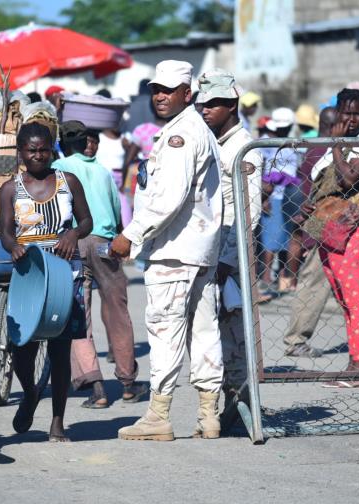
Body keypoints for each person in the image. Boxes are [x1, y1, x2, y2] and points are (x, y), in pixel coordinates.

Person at [109, 59, 224, 441]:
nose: (160, 96)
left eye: (168, 90)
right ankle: (209, 415)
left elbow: (169, 197)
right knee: (203, 332)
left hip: (175, 249)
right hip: (198, 249)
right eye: (156, 89)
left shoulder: (181, 135)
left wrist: (131, 234)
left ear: (187, 94)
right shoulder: (193, 128)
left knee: (165, 332)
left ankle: (158, 416)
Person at [0, 122, 93, 442]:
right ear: (20, 153)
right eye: (31, 150)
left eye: (44, 150)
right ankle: (29, 392)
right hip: (29, 272)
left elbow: (87, 220)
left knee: (60, 349)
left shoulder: (69, 181)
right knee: (22, 347)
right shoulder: (10, 188)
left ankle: (57, 422)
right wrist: (13, 246)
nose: (38, 155)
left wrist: (73, 233)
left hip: (64, 272)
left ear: (52, 150)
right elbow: (7, 231)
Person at [53, 120, 147, 408]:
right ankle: (128, 383)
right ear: (85, 143)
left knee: (79, 315)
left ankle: (97, 388)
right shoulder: (103, 171)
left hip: (73, 244)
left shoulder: (58, 167)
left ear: (61, 144)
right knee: (118, 311)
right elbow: (117, 213)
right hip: (106, 243)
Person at [196, 68, 263, 432]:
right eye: (202, 103)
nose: (205, 109)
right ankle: (233, 401)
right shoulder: (213, 142)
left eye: (214, 103)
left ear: (232, 105)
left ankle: (241, 403)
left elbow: (248, 211)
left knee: (233, 331)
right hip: (211, 248)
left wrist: (226, 259)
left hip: (231, 254)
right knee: (216, 331)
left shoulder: (243, 147)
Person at [303, 89, 359, 387]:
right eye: (346, 113)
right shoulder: (334, 145)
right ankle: (353, 363)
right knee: (344, 300)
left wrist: (336, 144)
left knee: (356, 299)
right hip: (329, 229)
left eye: (357, 113)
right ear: (337, 112)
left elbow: (349, 179)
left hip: (352, 230)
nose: (351, 119)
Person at [282, 106, 336, 357]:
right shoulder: (324, 151)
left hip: (323, 220)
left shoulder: (315, 148)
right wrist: (309, 233)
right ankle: (296, 339)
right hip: (319, 221)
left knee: (344, 280)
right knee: (316, 276)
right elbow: (312, 194)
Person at [259, 107, 300, 295]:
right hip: (273, 196)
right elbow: (261, 169)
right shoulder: (266, 144)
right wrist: (264, 197)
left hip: (290, 195)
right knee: (271, 238)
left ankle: (284, 276)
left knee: (287, 237)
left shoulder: (295, 144)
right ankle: (266, 276)